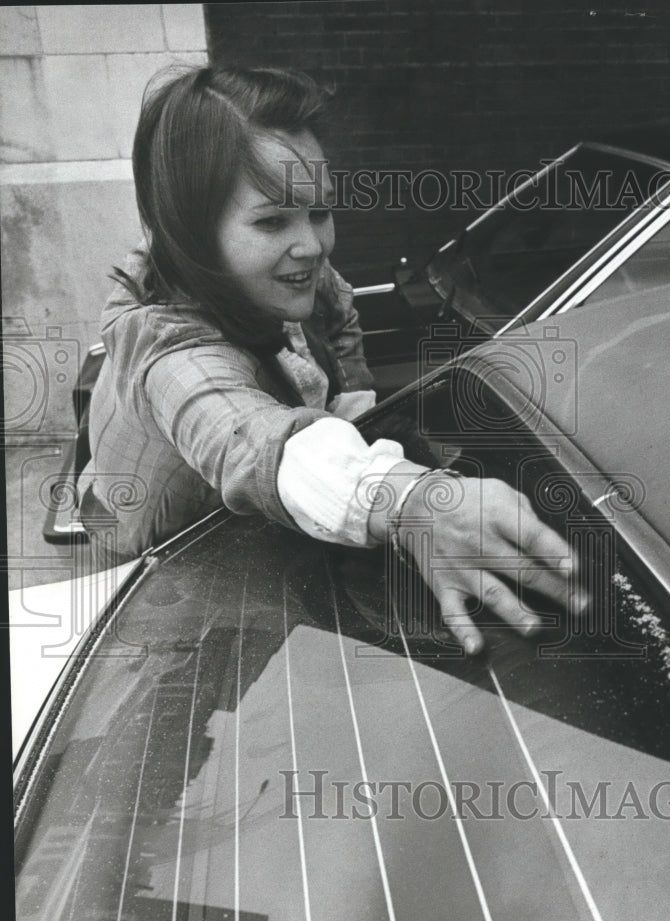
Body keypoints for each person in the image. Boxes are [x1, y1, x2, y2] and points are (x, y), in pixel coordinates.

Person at [78, 64, 583, 654]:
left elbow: (339, 341)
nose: (313, 245)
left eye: (320, 212)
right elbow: (247, 437)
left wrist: (363, 419)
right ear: (190, 233)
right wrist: (411, 502)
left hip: (245, 536)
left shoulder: (285, 276)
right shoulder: (165, 346)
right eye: (272, 220)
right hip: (153, 573)